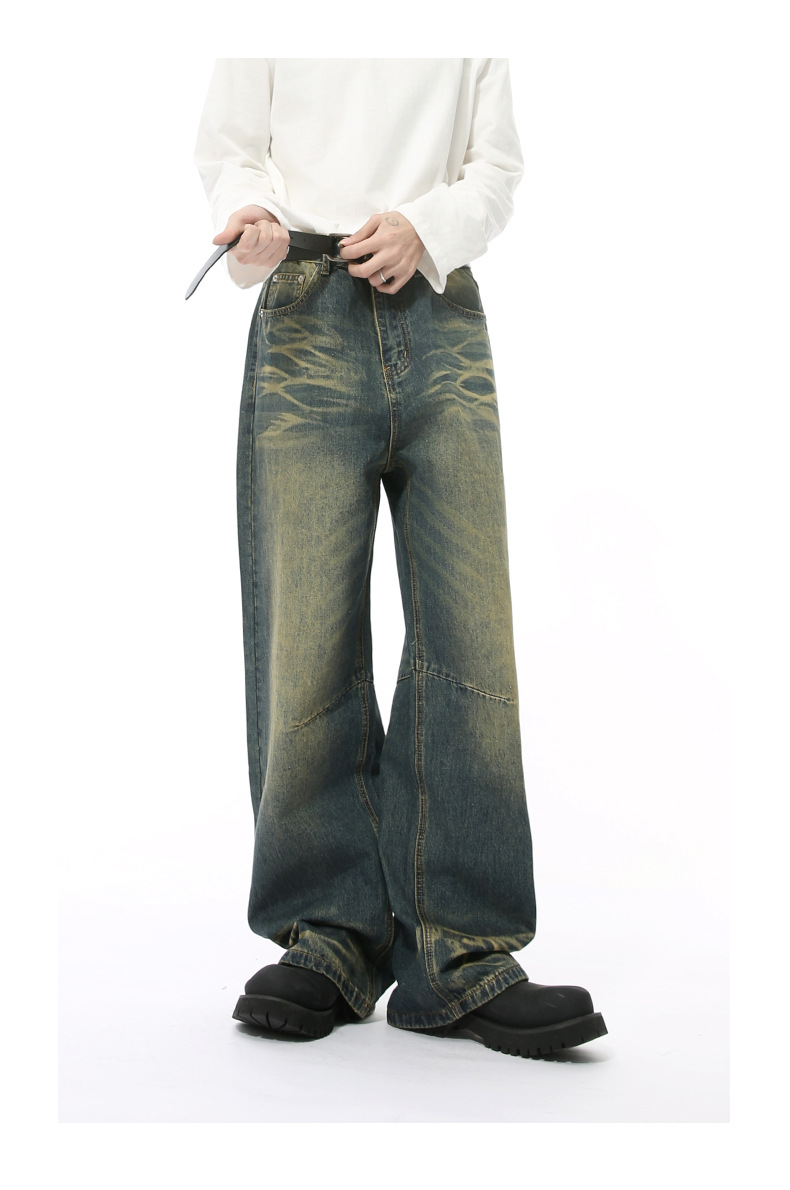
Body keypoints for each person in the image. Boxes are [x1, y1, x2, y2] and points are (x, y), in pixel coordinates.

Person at [193, 57, 607, 1059]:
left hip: (438, 312)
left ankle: (461, 952)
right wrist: (253, 217)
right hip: (304, 308)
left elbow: (493, 168)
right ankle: (329, 933)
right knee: (305, 635)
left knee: (471, 639)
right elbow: (233, 149)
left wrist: (427, 225)